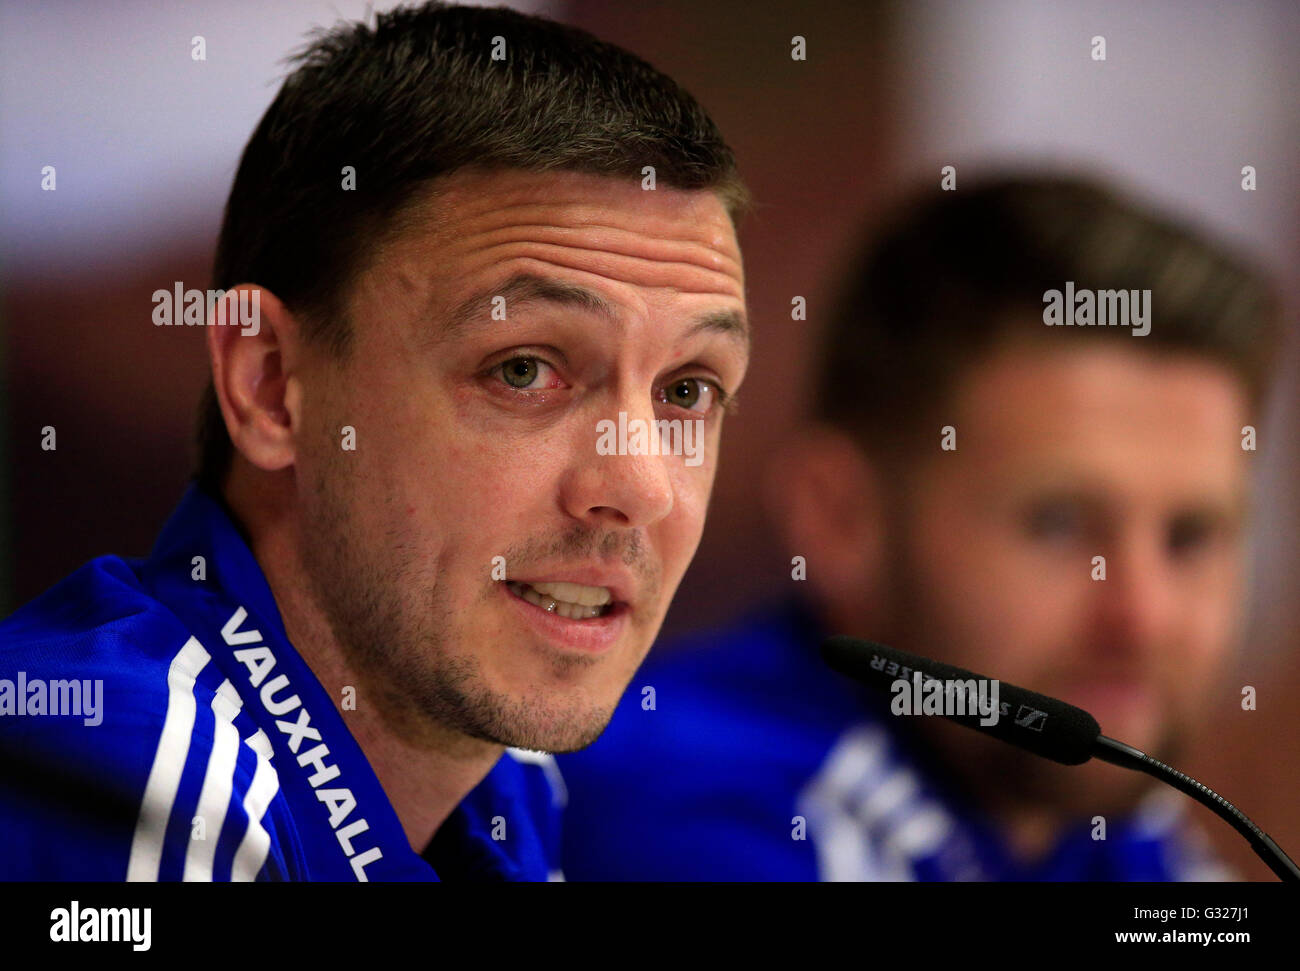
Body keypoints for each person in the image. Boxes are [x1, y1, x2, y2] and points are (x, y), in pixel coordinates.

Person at [0, 1, 750, 881]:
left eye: (688, 390)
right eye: (523, 370)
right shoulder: (126, 795)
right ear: (272, 387)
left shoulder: (514, 790)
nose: (642, 485)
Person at [556, 174, 1279, 881]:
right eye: (1058, 523)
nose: (1142, 617)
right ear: (839, 519)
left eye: (1191, 536)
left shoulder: (1106, 819)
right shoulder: (694, 811)